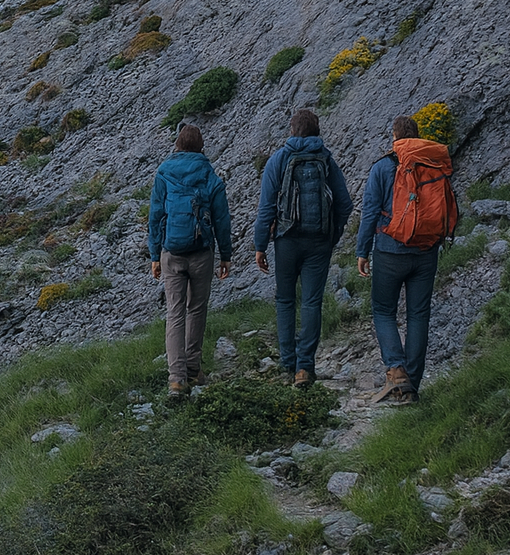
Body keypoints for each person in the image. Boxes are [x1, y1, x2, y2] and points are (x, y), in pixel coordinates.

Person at [357, 115, 456, 405]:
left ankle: (397, 371)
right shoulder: (433, 164)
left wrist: (362, 251)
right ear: (417, 135)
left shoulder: (383, 167)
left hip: (390, 250)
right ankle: (411, 385)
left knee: (384, 311)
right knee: (418, 315)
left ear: (394, 137)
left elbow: (370, 212)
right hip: (427, 250)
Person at [253, 110, 353, 387]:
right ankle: (305, 368)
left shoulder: (279, 159)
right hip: (319, 240)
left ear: (291, 129)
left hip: (286, 239)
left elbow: (266, 209)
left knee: (285, 300)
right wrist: (332, 235)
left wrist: (260, 245)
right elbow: (345, 204)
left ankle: (288, 362)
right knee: (311, 302)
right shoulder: (326, 159)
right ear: (317, 130)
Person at [148, 122, 233, 397]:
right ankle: (194, 369)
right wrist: (226, 255)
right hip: (201, 253)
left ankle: (176, 380)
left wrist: (154, 255)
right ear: (201, 147)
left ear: (177, 145)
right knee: (196, 309)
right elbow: (221, 219)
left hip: (171, 253)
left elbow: (156, 216)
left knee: (174, 312)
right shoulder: (210, 176)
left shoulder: (163, 173)